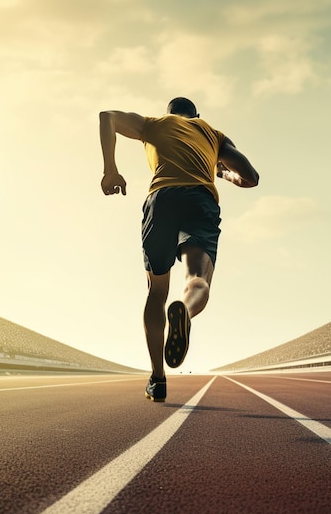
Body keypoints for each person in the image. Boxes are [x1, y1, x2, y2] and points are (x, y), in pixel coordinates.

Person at [99, 97, 259, 402]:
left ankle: (157, 380)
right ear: (197, 116)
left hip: (161, 199)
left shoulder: (153, 125)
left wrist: (111, 170)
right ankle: (184, 310)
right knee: (197, 279)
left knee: (156, 292)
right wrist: (222, 171)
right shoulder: (212, 133)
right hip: (199, 200)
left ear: (168, 113)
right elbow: (251, 177)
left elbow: (107, 116)